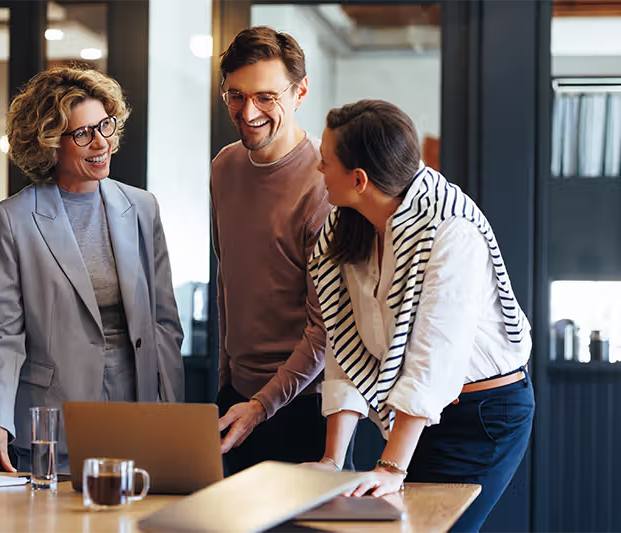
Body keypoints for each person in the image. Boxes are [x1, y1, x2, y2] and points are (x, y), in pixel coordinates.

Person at [309, 100, 534, 532]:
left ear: (359, 180)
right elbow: (344, 340)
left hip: (484, 416)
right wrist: (332, 461)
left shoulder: (451, 230)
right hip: (419, 416)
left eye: (325, 162)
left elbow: (435, 359)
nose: (318, 170)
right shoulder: (347, 224)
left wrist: (391, 467)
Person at [0, 66, 184, 474]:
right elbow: (1, 333)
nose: (101, 143)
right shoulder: (13, 219)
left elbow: (164, 324)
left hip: (139, 415)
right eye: (82, 134)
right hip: (53, 421)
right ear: (49, 143)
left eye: (105, 126)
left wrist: (171, 416)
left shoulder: (142, 207)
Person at [212, 26, 332, 475]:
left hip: (305, 408)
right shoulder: (224, 167)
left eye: (266, 97)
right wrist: (228, 387)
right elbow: (228, 281)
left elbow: (325, 329)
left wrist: (262, 405)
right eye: (236, 96)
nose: (248, 112)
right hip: (235, 401)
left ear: (300, 92)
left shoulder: (325, 182)